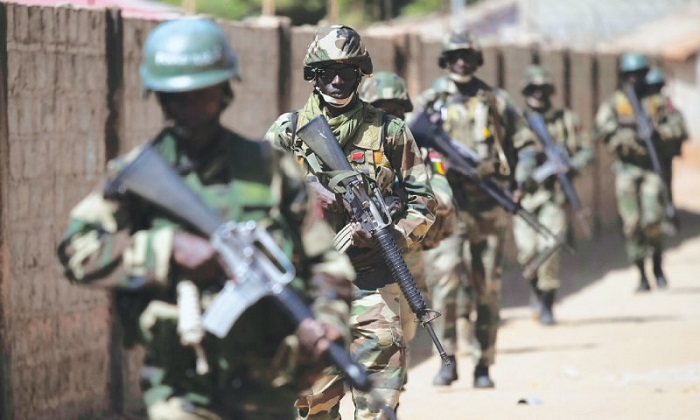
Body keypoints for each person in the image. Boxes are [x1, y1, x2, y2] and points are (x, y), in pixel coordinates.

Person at [56, 17, 356, 420]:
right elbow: (77, 249)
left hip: (268, 379)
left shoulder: (268, 169)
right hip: (181, 384)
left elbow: (325, 259)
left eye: (202, 94)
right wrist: (166, 250)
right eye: (176, 97)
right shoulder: (137, 177)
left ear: (224, 91)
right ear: (160, 98)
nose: (190, 107)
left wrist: (328, 321)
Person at [265, 25, 437, 419]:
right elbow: (253, 202)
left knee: (380, 404)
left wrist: (391, 235)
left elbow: (424, 201)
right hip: (312, 288)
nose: (338, 80)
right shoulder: (288, 132)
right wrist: (305, 192)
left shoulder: (390, 131)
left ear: (360, 74)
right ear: (314, 74)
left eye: (347, 71)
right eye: (328, 71)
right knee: (313, 407)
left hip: (373, 282)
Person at [411, 29, 535, 388]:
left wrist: (520, 182)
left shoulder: (495, 100)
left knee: (487, 288)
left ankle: (483, 364)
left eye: (467, 56)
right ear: (445, 61)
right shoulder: (430, 101)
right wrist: (438, 167)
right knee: (445, 282)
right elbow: (408, 143)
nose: (461, 62)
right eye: (455, 56)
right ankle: (447, 359)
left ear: (476, 60)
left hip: (488, 205)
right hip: (446, 206)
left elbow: (525, 143)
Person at [359, 71, 458, 381]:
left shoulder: (422, 153)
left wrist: (406, 200)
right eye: (381, 110)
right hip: (362, 256)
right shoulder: (354, 152)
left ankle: (393, 394)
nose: (389, 117)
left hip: (405, 253)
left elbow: (443, 195)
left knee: (402, 334)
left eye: (396, 110)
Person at [594, 53, 687, 292]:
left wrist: (657, 132)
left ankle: (657, 265)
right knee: (632, 224)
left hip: (651, 169)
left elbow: (679, 127)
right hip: (627, 169)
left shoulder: (658, 102)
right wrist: (629, 136)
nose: (635, 79)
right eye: (630, 75)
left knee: (653, 219)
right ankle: (641, 273)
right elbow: (602, 129)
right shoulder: (616, 103)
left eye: (639, 74)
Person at [512, 65, 593, 325]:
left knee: (550, 247)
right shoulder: (516, 122)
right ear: (526, 91)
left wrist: (571, 165)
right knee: (527, 252)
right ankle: (537, 293)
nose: (538, 94)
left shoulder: (566, 120)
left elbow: (587, 150)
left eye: (543, 89)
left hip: (552, 195)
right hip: (524, 197)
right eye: (533, 89)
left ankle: (547, 304)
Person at [643, 67, 688, 206]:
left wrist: (658, 131)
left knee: (664, 186)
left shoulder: (667, 106)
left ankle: (668, 211)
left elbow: (679, 130)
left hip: (662, 155)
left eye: (656, 87)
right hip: (644, 156)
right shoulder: (643, 105)